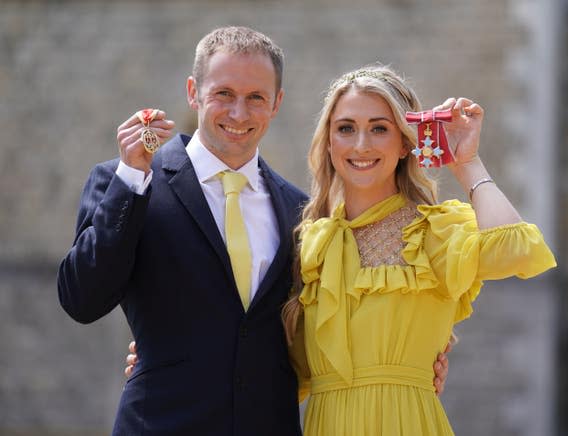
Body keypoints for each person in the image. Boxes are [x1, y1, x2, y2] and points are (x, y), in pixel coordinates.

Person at [58, 27, 449, 435]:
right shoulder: (127, 182)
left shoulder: (303, 213)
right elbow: (82, 300)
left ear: (276, 102)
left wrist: (425, 359)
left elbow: (336, 318)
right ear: (194, 92)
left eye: (256, 98)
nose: (239, 114)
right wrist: (131, 180)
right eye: (224, 94)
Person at [279, 66, 557, 435]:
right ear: (329, 142)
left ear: (405, 142)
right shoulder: (309, 245)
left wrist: (467, 164)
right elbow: (283, 373)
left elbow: (518, 250)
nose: (361, 144)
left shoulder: (434, 231)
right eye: (346, 128)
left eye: (380, 128)